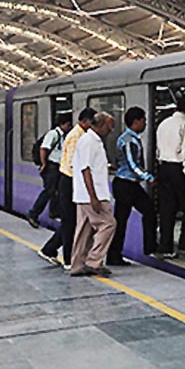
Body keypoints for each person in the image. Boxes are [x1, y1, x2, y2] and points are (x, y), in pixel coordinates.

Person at [38, 108, 96, 268]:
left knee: (71, 221)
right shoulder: (76, 137)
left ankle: (49, 249)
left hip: (71, 180)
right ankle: (69, 260)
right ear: (85, 121)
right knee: (70, 221)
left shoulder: (79, 135)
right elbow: (73, 164)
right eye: (93, 122)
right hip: (69, 181)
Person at [107, 106, 157, 266]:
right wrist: (148, 177)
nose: (145, 123)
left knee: (128, 217)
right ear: (136, 121)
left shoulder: (129, 138)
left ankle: (116, 254)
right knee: (125, 219)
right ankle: (116, 254)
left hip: (127, 184)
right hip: (126, 185)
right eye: (143, 120)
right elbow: (132, 163)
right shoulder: (128, 140)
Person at [70, 111, 116, 278]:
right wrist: (93, 197)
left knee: (83, 231)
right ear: (101, 125)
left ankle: (77, 266)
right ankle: (93, 261)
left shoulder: (91, 140)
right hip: (92, 194)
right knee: (109, 224)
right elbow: (85, 170)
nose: (111, 129)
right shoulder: (89, 141)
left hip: (84, 194)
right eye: (110, 125)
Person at [156, 89, 185, 258]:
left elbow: (158, 149)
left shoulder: (163, 124)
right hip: (178, 169)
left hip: (163, 168)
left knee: (166, 209)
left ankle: (166, 246)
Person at [26, 115, 73, 228]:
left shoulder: (64, 135)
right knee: (49, 190)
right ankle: (33, 213)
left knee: (56, 190)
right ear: (63, 124)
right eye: (68, 124)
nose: (69, 127)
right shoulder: (53, 134)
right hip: (51, 166)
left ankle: (54, 212)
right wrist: (44, 164)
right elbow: (43, 149)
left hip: (58, 166)